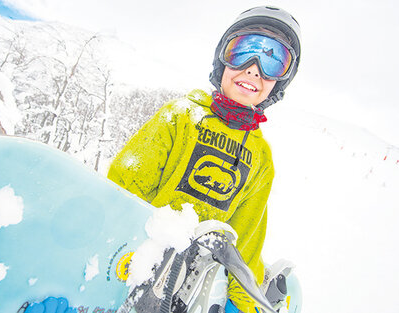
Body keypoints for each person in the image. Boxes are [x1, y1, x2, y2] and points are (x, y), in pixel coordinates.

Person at [107, 5, 302, 313]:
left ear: (280, 82)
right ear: (221, 60)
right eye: (243, 52)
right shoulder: (180, 116)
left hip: (192, 291)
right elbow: (121, 190)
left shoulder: (261, 159)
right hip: (138, 268)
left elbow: (246, 240)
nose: (254, 69)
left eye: (273, 61)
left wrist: (246, 305)